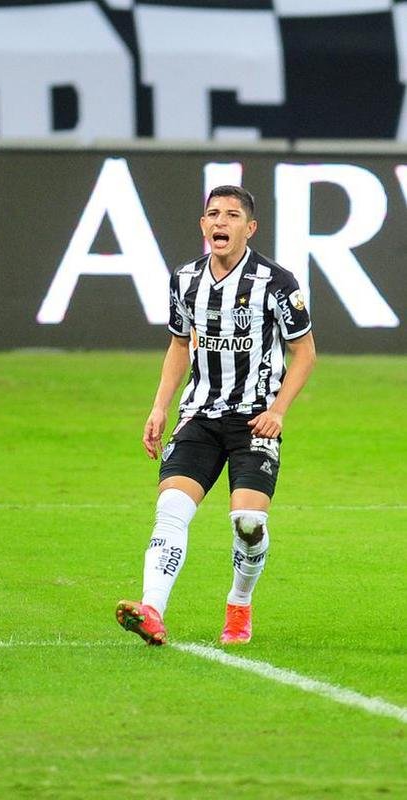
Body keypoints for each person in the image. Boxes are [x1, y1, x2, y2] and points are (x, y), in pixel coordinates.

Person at [116, 185, 316, 647]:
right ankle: (151, 611)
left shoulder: (277, 282)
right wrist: (159, 406)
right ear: (203, 225)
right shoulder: (185, 279)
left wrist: (279, 410)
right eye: (212, 214)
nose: (220, 222)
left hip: (254, 422)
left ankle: (239, 603)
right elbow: (178, 345)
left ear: (250, 228)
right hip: (200, 415)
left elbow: (304, 353)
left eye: (231, 215)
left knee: (249, 524)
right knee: (170, 510)